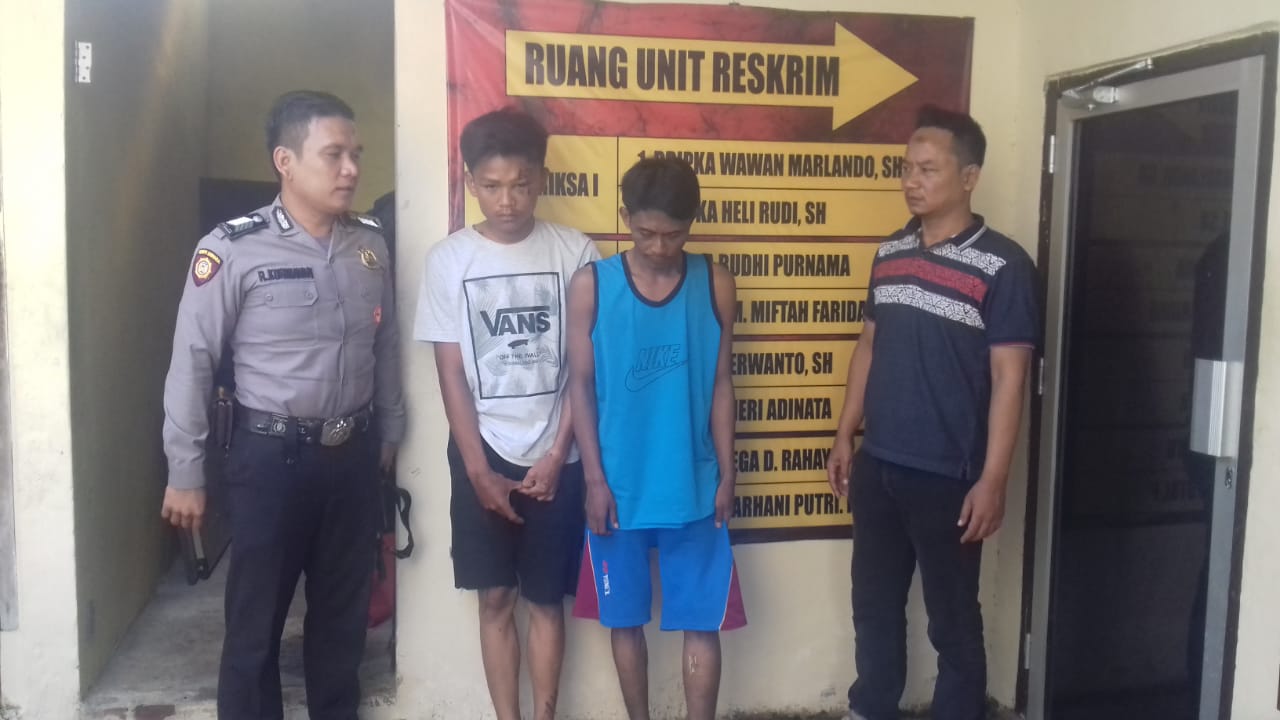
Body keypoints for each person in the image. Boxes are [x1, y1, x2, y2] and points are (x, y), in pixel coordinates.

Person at [160, 90, 405, 719]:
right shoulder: (233, 248)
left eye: (356, 154)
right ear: (285, 162)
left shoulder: (370, 246)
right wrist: (185, 471)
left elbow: (385, 345)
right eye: (334, 154)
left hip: (352, 458)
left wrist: (389, 431)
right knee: (255, 626)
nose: (350, 169)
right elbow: (192, 359)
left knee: (342, 623)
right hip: (270, 460)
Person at [826, 106, 1038, 720]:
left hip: (950, 476)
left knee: (952, 620)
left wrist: (993, 479)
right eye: (906, 168)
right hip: (880, 462)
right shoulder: (890, 252)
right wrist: (845, 433)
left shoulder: (1004, 266)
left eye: (927, 169)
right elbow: (869, 345)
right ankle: (871, 707)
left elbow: (1011, 378)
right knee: (873, 605)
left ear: (969, 177)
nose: (911, 181)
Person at [414, 108, 598, 720]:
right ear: (470, 182)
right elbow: (450, 373)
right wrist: (478, 471)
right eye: (491, 186)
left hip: (559, 455)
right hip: (482, 451)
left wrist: (558, 452)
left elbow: (583, 369)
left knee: (546, 600)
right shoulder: (449, 260)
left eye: (520, 184)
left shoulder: (575, 252)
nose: (507, 200)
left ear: (541, 178)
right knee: (495, 598)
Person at [569, 156, 747, 720]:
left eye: (673, 234)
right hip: (618, 485)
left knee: (701, 620)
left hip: (694, 482)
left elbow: (721, 383)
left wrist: (728, 472)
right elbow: (579, 388)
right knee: (624, 618)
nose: (659, 246)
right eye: (645, 233)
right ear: (625, 218)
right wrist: (594, 481)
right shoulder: (592, 285)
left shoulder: (715, 282)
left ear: (692, 223)